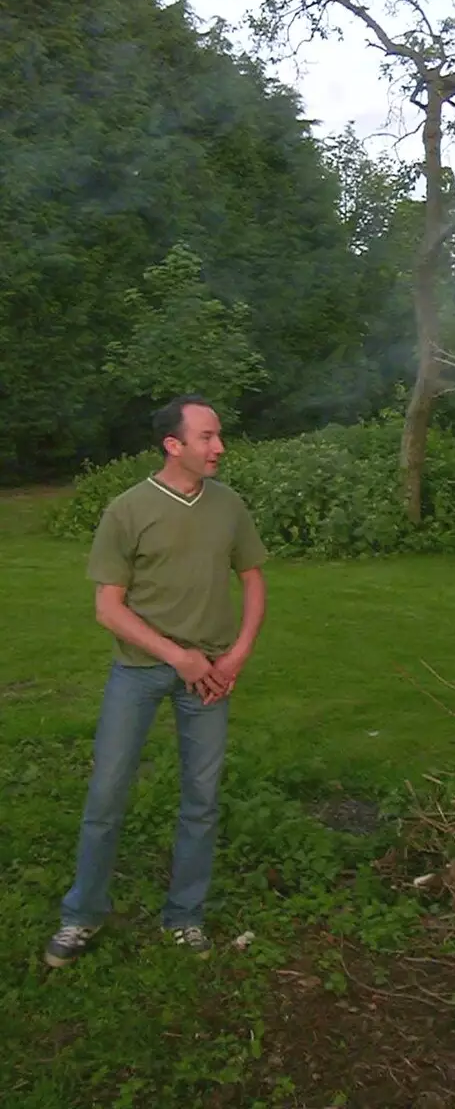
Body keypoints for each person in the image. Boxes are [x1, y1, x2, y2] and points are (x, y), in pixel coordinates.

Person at [44, 395, 267, 968]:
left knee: (202, 800)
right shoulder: (127, 509)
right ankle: (82, 914)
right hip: (139, 673)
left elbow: (253, 580)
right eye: (207, 437)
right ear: (174, 445)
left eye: (219, 436)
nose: (220, 447)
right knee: (107, 795)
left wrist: (235, 656)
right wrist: (180, 657)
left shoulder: (229, 506)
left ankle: (184, 918)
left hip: (212, 677)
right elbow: (109, 609)